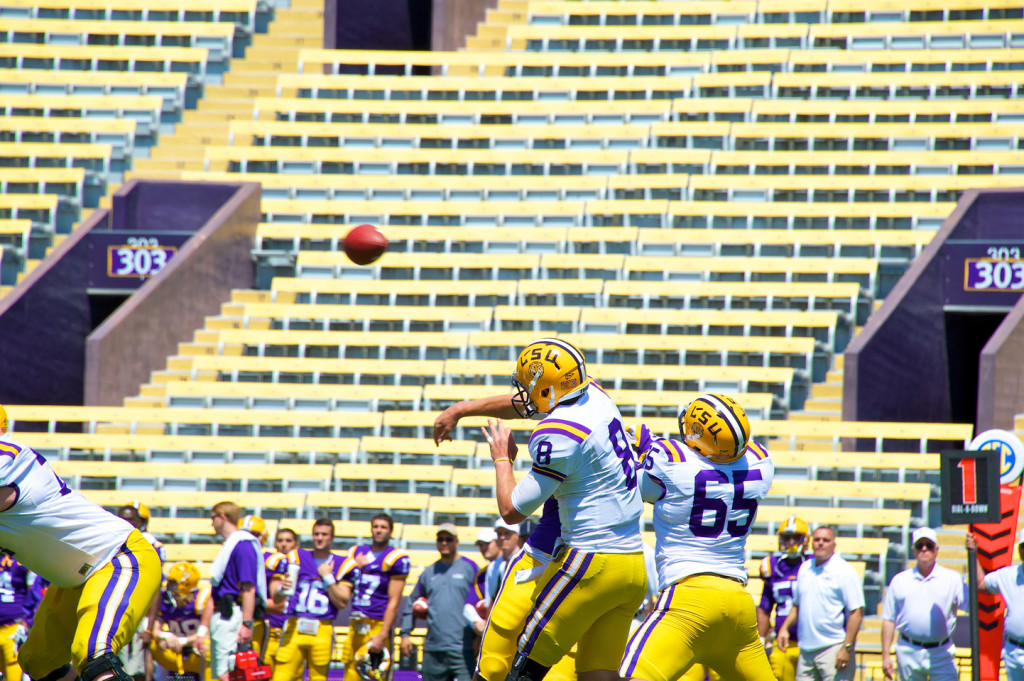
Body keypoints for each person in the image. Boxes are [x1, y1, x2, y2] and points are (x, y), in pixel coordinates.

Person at [446, 337, 648, 681]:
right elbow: (531, 402)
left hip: (577, 555)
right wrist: (462, 408)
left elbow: (511, 511)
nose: (523, 395)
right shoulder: (594, 395)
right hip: (631, 559)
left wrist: (502, 459)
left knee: (512, 662)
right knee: (597, 673)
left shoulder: (559, 431)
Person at [618, 394, 776, 681]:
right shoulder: (762, 464)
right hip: (738, 603)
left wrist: (644, 450)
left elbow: (629, 486)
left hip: (688, 598)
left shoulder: (669, 459)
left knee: (633, 676)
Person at [0, 403, 162, 681]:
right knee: (38, 661)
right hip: (73, 579)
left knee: (93, 654)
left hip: (118, 558)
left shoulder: (8, 452)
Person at [273, 518, 356, 681]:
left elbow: (342, 602)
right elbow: (276, 599)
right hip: (294, 625)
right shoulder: (296, 557)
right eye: (316, 534)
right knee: (281, 676)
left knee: (318, 677)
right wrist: (281, 589)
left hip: (322, 628)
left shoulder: (342, 564)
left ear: (332, 538)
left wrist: (328, 578)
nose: (319, 538)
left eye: (324, 534)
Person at [777, 527, 864, 681]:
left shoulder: (844, 571)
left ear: (834, 545)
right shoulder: (805, 568)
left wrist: (847, 647)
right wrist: (784, 628)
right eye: (817, 540)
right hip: (806, 651)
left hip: (833, 648)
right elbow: (797, 605)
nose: (820, 544)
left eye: (826, 540)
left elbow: (856, 612)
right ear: (811, 543)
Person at [399, 522, 479, 681]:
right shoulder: (429, 572)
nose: (444, 542)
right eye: (440, 539)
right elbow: (411, 601)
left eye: (448, 539)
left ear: (456, 542)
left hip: (463, 648)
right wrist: (405, 634)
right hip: (434, 648)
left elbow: (482, 602)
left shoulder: (470, 568)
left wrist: (479, 637)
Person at [881, 528, 963, 681]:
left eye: (929, 545)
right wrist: (886, 655)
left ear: (937, 550)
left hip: (941, 652)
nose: (924, 549)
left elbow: (970, 605)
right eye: (920, 546)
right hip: (908, 650)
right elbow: (888, 620)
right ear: (913, 550)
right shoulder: (899, 580)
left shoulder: (952, 579)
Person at [343, 513, 411, 681]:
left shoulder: (395, 557)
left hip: (377, 623)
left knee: (376, 675)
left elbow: (394, 601)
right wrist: (355, 567)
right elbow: (344, 586)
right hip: (356, 623)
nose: (379, 530)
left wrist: (383, 634)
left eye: (383, 527)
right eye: (376, 526)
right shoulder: (356, 553)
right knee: (350, 674)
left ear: (391, 531)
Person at [204, 501, 266, 681]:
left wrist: (247, 624)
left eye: (213, 518)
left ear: (223, 516)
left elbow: (248, 588)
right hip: (223, 614)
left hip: (231, 614)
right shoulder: (233, 544)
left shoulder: (243, 544)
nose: (212, 523)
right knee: (222, 672)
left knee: (228, 673)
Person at [116, 501, 167, 681]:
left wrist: (150, 626)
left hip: (137, 613)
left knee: (137, 668)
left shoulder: (149, 545)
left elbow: (154, 587)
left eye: (131, 520)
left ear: (140, 522)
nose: (126, 523)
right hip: (117, 608)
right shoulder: (114, 541)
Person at [966, 528, 1024, 681]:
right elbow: (979, 584)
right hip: (1014, 651)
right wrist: (974, 554)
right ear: (1019, 550)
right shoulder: (1008, 575)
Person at [758, 516, 810, 681]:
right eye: (787, 537)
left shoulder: (813, 564)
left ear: (805, 539)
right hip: (783, 642)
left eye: (796, 537)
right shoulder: (772, 566)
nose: (791, 542)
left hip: (810, 640)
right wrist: (760, 637)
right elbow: (765, 606)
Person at [241, 515, 288, 666]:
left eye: (252, 534)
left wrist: (246, 602)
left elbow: (278, 604)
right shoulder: (229, 557)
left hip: (258, 626)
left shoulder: (270, 561)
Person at [148, 561, 209, 678]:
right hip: (173, 648)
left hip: (196, 649)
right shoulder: (165, 600)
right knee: (153, 643)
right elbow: (154, 630)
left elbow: (209, 633)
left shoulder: (201, 600)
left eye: (172, 583)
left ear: (184, 584)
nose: (168, 586)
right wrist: (166, 636)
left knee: (206, 645)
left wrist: (182, 641)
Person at [465, 520, 521, 634]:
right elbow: (490, 602)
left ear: (517, 535)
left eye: (507, 533)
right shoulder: (492, 567)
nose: (503, 537)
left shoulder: (525, 561)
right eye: (499, 534)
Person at [0, 554, 34, 680]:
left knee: (14, 671)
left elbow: (33, 592)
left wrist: (26, 622)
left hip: (14, 626)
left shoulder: (22, 558)